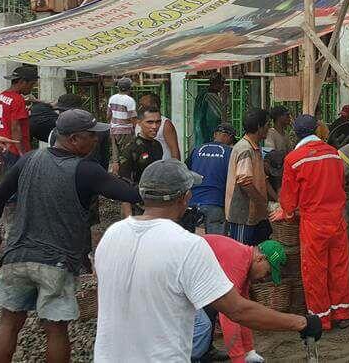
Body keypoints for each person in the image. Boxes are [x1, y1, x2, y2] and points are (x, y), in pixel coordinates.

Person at [93, 159, 322, 361]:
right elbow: (237, 311)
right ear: (185, 197)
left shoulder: (112, 235)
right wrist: (300, 322)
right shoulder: (187, 245)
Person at [0, 109, 141, 362]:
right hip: (56, 262)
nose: (96, 140)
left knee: (9, 322)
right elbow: (130, 194)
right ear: (74, 139)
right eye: (91, 136)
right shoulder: (86, 170)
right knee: (56, 329)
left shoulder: (29, 160)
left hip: (17, 256)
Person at [275, 115, 349, 330]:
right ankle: (342, 313)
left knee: (314, 270)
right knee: (339, 266)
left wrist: (288, 212)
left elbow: (288, 201)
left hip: (313, 223)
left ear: (295, 133)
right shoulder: (334, 154)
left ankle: (321, 318)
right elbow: (340, 184)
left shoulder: (294, 159)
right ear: (317, 129)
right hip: (337, 219)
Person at [202, 236, 287, 363]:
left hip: (195, 278)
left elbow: (244, 311)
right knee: (202, 324)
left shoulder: (246, 264)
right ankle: (197, 355)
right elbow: (230, 314)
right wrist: (238, 359)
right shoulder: (238, 262)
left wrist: (249, 352)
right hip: (176, 275)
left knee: (213, 306)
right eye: (268, 272)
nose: (264, 278)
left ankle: (205, 350)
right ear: (260, 259)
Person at [225, 109, 273, 245]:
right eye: (267, 125)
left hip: (255, 214)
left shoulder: (254, 148)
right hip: (242, 214)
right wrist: (262, 202)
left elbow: (262, 179)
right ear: (259, 127)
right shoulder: (245, 149)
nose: (269, 128)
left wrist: (276, 199)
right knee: (242, 253)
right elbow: (244, 182)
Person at [187, 123, 236, 236]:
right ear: (229, 137)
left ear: (215, 134)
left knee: (193, 244)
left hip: (193, 202)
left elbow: (186, 172)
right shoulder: (230, 152)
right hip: (216, 203)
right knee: (216, 244)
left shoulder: (196, 150)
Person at [118, 105, 164, 217]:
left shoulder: (157, 145)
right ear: (139, 122)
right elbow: (123, 184)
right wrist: (129, 218)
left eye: (158, 122)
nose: (155, 126)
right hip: (136, 207)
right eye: (150, 122)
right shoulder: (131, 148)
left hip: (154, 205)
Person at [0, 65, 38, 174]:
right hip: (15, 149)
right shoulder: (17, 100)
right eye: (32, 84)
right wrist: (21, 152)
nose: (31, 88)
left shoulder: (1, 96)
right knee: (19, 183)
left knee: (8, 180)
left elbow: (2, 122)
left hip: (4, 146)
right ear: (23, 82)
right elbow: (15, 128)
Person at [136, 92, 181, 161]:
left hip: (164, 167)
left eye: (143, 105)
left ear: (154, 105)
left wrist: (176, 169)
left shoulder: (165, 124)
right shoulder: (140, 122)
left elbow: (174, 149)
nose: (140, 107)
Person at [107, 77, 137, 172]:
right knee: (126, 154)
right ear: (130, 88)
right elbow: (133, 118)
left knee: (115, 155)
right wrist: (135, 128)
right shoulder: (129, 100)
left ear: (118, 87)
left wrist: (112, 125)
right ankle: (124, 173)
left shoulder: (112, 98)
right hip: (126, 130)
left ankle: (115, 172)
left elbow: (108, 114)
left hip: (114, 129)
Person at [195, 72, 227, 150]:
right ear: (217, 84)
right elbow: (215, 119)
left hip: (199, 131)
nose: (222, 86)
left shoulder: (202, 93)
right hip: (208, 134)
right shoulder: (211, 96)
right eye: (222, 84)